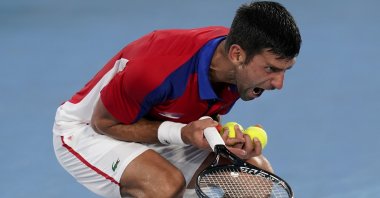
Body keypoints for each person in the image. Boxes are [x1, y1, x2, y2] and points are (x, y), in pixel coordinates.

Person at [53, 1, 301, 197]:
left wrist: (220, 138)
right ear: (237, 54)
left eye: (284, 70)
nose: (279, 84)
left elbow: (201, 110)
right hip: (90, 131)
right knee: (163, 185)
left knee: (256, 178)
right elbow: (104, 124)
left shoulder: (240, 65)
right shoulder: (156, 69)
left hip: (155, 126)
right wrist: (181, 134)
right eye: (271, 69)